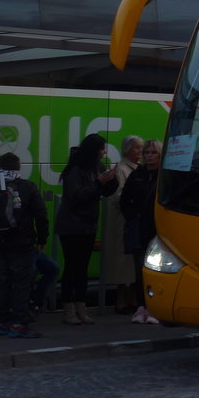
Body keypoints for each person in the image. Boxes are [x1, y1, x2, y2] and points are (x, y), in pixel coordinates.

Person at [0, 152, 49, 338]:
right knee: (22, 284)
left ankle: (4, 322)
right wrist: (42, 238)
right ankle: (18, 324)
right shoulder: (27, 187)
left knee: (4, 283)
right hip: (22, 244)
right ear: (18, 168)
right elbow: (41, 215)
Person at [55, 133, 118, 325]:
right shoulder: (75, 170)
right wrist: (98, 182)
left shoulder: (97, 167)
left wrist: (111, 180)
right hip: (72, 226)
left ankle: (81, 309)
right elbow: (76, 197)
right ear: (93, 151)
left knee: (81, 268)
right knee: (72, 267)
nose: (103, 152)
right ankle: (68, 310)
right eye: (101, 149)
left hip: (88, 224)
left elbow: (105, 192)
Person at [120, 138, 162, 324]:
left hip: (159, 229)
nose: (149, 156)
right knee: (140, 269)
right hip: (139, 228)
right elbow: (124, 200)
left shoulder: (164, 175)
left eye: (153, 153)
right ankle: (141, 307)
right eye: (147, 153)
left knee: (158, 270)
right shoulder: (138, 174)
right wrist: (131, 217)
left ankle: (156, 307)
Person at [101, 135, 142, 313]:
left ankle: (132, 298)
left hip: (134, 220)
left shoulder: (138, 169)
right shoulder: (121, 169)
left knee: (133, 261)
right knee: (122, 260)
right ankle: (121, 299)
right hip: (123, 220)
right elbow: (117, 197)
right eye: (136, 148)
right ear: (127, 149)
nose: (139, 152)